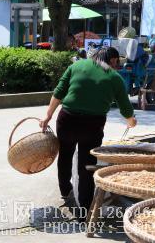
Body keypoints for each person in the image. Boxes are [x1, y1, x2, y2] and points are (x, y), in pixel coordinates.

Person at [39, 46, 137, 213]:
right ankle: (85, 207)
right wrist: (131, 121)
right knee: (86, 165)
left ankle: (65, 191)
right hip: (92, 125)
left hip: (67, 119)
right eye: (116, 62)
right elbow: (126, 110)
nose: (117, 66)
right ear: (112, 60)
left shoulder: (76, 66)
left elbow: (59, 92)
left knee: (65, 155)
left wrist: (47, 116)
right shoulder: (115, 77)